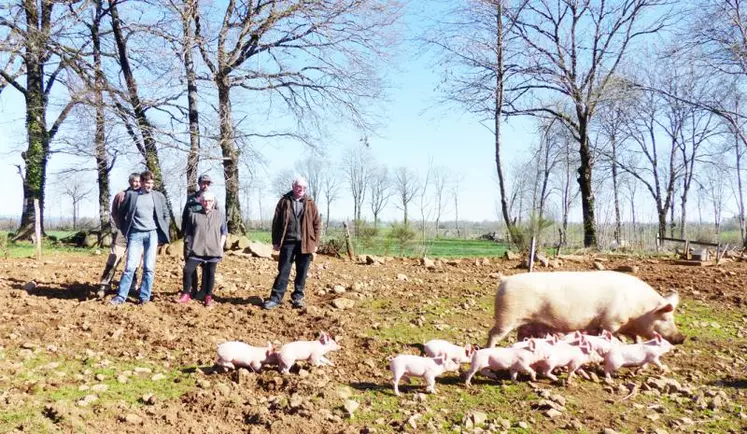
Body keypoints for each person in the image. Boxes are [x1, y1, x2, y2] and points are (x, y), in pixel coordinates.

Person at [110, 170, 171, 305]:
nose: (149, 185)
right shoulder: (131, 196)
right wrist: (124, 229)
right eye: (147, 182)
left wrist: (163, 230)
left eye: (151, 183)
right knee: (130, 267)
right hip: (135, 234)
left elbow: (166, 214)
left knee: (149, 267)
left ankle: (144, 297)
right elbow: (120, 213)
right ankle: (121, 296)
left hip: (152, 234)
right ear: (142, 182)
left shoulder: (159, 196)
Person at [263, 176, 321, 310]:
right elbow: (276, 223)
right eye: (299, 187)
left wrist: (315, 243)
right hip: (287, 242)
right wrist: (276, 242)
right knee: (283, 271)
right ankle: (275, 298)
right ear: (293, 187)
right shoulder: (284, 201)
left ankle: (298, 298)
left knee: (302, 272)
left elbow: (317, 223)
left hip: (305, 244)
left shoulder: (310, 203)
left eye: (304, 188)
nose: (301, 190)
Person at [177, 192, 227, 307]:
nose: (207, 203)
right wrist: (189, 247)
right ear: (201, 202)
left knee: (210, 273)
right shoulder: (194, 215)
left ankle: (208, 296)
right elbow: (189, 233)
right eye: (204, 201)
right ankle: (186, 294)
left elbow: (224, 232)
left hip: (213, 250)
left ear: (213, 202)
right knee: (187, 270)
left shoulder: (220, 215)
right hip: (197, 250)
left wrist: (220, 247)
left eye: (209, 201)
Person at [97, 172, 141, 298]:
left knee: (135, 261)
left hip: (137, 232)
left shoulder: (143, 196)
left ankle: (132, 285)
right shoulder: (121, 196)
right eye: (135, 181)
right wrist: (121, 227)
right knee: (114, 257)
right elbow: (115, 213)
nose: (137, 184)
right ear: (130, 182)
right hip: (122, 232)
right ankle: (105, 284)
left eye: (139, 181)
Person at [180, 174, 215, 298]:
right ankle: (191, 289)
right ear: (199, 183)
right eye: (203, 183)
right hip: (191, 236)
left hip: (205, 238)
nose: (205, 185)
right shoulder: (191, 199)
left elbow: (217, 219)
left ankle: (203, 291)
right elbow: (185, 217)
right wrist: (183, 233)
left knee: (206, 266)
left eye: (207, 183)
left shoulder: (212, 199)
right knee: (190, 264)